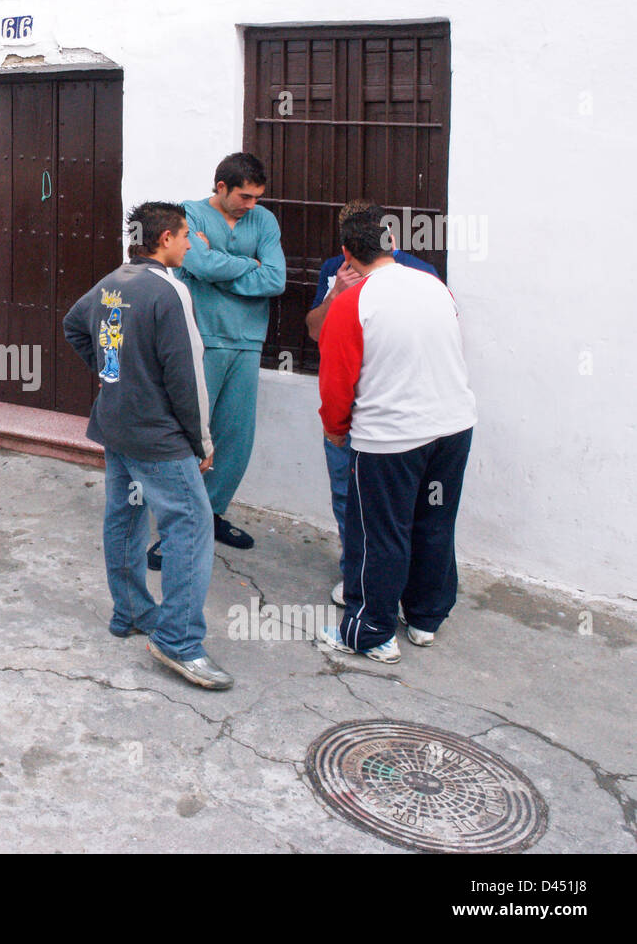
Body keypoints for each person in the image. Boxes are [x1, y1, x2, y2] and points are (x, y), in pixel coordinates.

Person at [63, 201, 233, 691]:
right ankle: (177, 642)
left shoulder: (112, 282)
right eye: (185, 236)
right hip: (157, 437)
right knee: (193, 526)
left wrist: (112, 375)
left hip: (116, 426)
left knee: (126, 514)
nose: (190, 244)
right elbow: (187, 374)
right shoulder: (169, 291)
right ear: (164, 240)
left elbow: (75, 326)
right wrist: (201, 439)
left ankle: (132, 613)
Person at [315, 205, 477, 663]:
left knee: (378, 533)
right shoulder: (433, 285)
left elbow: (336, 381)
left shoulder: (353, 301)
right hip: (452, 426)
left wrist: (336, 431)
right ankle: (425, 619)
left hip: (389, 437)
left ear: (347, 253)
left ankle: (369, 632)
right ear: (391, 242)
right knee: (434, 522)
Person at [147, 152, 284, 566]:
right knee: (189, 435)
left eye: (257, 196)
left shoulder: (265, 222)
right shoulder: (189, 214)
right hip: (201, 338)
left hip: (246, 342)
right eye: (245, 196)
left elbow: (275, 279)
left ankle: (212, 514)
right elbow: (195, 262)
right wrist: (247, 267)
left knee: (235, 438)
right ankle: (176, 529)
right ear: (221, 187)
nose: (252, 205)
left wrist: (217, 269)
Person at [305, 200, 441, 606]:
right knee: (347, 495)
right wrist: (337, 295)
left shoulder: (420, 273)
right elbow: (314, 331)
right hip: (349, 407)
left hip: (399, 414)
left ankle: (389, 590)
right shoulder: (336, 270)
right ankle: (356, 572)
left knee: (403, 508)